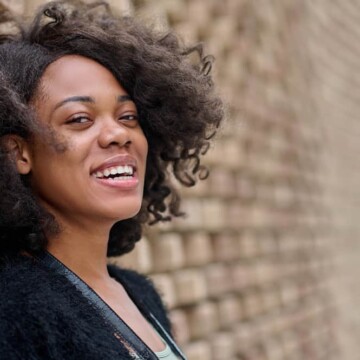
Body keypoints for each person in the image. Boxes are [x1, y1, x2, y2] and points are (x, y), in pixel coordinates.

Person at [0, 0, 223, 359]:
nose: (118, 134)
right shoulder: (15, 309)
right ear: (18, 154)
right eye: (79, 119)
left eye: (128, 116)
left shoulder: (139, 293)